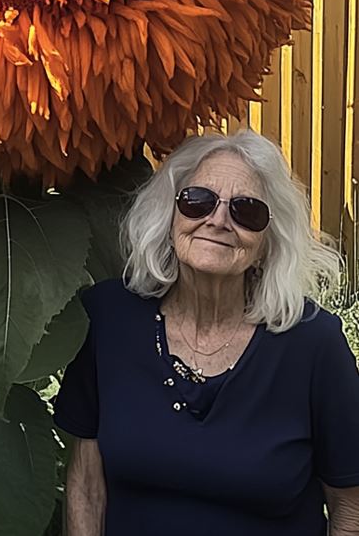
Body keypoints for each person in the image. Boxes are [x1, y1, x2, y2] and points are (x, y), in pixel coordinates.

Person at [54, 129, 359, 535]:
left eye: (246, 211)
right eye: (197, 201)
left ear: (268, 242)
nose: (217, 220)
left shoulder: (314, 344)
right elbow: (87, 487)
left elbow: (349, 506)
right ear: (169, 216)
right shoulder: (108, 319)